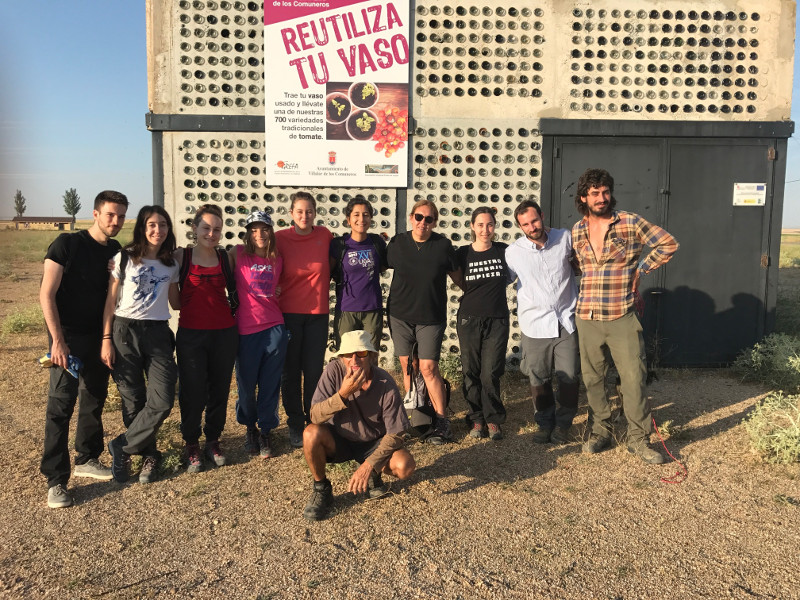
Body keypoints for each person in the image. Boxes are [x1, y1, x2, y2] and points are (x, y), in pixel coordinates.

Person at [572, 168, 679, 464]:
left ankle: (639, 439)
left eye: (605, 192)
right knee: (593, 379)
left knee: (633, 378)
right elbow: (579, 268)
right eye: (595, 193)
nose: (602, 198)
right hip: (587, 315)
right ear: (584, 197)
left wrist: (641, 270)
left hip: (621, 313)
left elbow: (668, 243)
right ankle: (600, 432)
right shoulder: (578, 230)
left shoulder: (630, 222)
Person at [39, 191, 129, 508]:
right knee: (61, 406)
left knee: (94, 398)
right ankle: (56, 481)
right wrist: (57, 342)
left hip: (98, 336)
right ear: (95, 213)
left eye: (120, 215)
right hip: (68, 338)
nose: (116, 221)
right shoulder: (67, 245)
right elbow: (46, 295)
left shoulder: (116, 250)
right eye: (110, 215)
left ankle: (87, 458)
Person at [301, 330, 416, 521]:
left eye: (361, 354)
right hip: (339, 439)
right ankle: (321, 488)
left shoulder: (385, 382)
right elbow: (315, 415)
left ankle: (374, 474)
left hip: (373, 443)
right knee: (310, 433)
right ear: (341, 358)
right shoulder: (332, 371)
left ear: (371, 356)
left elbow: (396, 432)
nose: (354, 360)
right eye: (347, 354)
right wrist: (342, 395)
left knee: (405, 466)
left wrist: (369, 465)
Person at [102, 205, 180, 483]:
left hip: (158, 332)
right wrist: (106, 339)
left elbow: (176, 302)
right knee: (133, 400)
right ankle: (148, 454)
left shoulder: (172, 264)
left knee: (162, 400)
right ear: (142, 228)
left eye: (162, 225)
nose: (157, 230)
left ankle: (121, 446)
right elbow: (110, 302)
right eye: (151, 225)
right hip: (125, 330)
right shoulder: (124, 258)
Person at [506, 200, 580, 445]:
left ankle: (563, 424)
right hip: (535, 324)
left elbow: (581, 265)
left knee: (569, 376)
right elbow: (502, 280)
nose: (532, 227)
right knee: (539, 378)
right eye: (525, 224)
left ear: (542, 215)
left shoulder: (565, 239)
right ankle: (544, 424)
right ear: (520, 226)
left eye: (534, 220)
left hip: (566, 321)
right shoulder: (513, 252)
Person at [386, 199, 459, 444]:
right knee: (408, 367)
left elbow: (457, 275)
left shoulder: (443, 246)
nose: (423, 223)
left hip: (430, 317)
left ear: (435, 222)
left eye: (429, 219)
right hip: (400, 315)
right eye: (419, 217)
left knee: (428, 368)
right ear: (411, 217)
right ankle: (415, 416)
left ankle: (441, 421)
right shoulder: (397, 243)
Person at [174, 204, 237, 472]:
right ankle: (191, 443)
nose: (211, 234)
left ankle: (213, 439)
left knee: (219, 389)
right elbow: (175, 303)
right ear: (194, 228)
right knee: (192, 390)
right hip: (191, 333)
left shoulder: (226, 258)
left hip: (224, 332)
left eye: (217, 229)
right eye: (206, 228)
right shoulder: (181, 256)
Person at [275, 191, 333, 448]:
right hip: (288, 314)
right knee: (290, 372)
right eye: (299, 211)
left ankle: (313, 420)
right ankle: (295, 424)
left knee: (313, 372)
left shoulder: (324, 235)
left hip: (317, 315)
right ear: (291, 214)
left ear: (315, 213)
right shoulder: (279, 239)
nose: (304, 215)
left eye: (309, 211)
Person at [230, 210, 288, 459]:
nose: (259, 234)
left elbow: (283, 284)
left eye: (264, 229)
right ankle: (249, 428)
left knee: (270, 383)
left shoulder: (278, 258)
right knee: (245, 383)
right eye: (253, 230)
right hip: (246, 328)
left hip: (274, 326)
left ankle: (265, 430)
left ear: (270, 231)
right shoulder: (237, 253)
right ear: (247, 233)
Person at [453, 206, 510, 441]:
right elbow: (458, 279)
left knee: (490, 373)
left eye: (489, 224)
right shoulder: (461, 254)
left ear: (495, 226)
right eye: (480, 225)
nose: (485, 230)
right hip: (469, 320)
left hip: (497, 320)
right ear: (472, 227)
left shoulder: (505, 251)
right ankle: (476, 418)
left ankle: (493, 419)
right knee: (471, 372)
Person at [330, 195, 387, 350]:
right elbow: (328, 272)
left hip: (372, 310)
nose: (361, 219)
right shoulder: (339, 245)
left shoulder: (377, 243)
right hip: (346, 309)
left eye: (366, 215)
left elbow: (382, 267)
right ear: (348, 219)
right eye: (356, 215)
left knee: (370, 357)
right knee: (346, 357)